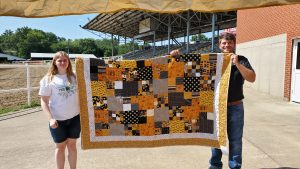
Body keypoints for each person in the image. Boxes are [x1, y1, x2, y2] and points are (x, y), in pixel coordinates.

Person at [170, 32, 256, 169]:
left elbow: (252, 78)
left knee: (235, 140)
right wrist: (178, 57)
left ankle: (235, 166)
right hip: (216, 106)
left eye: (229, 43)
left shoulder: (242, 59)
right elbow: (191, 66)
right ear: (219, 45)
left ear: (234, 44)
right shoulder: (213, 59)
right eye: (224, 43)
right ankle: (215, 166)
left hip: (235, 107)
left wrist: (238, 64)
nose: (227, 45)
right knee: (215, 139)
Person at [39, 51, 81, 169]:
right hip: (57, 121)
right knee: (60, 147)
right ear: (54, 62)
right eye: (59, 60)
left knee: (72, 146)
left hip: (75, 118)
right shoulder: (48, 79)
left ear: (68, 62)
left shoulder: (75, 76)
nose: (62, 62)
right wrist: (51, 119)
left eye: (65, 60)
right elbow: (44, 101)